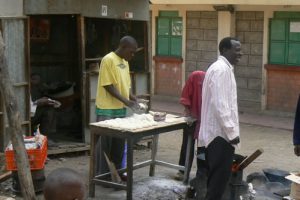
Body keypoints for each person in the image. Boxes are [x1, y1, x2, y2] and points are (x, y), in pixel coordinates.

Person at [198, 37, 242, 200]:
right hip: (220, 136)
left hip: (218, 136)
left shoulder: (223, 69)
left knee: (216, 183)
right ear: (224, 50)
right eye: (236, 50)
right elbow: (220, 105)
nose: (240, 53)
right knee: (217, 186)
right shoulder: (221, 70)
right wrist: (232, 132)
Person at [95, 35, 139, 178]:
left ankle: (118, 172)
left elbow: (126, 84)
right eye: (131, 52)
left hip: (120, 108)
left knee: (119, 144)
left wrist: (132, 97)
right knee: (105, 145)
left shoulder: (125, 62)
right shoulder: (108, 60)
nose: (132, 55)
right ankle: (104, 175)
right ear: (123, 47)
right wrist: (126, 101)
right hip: (106, 109)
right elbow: (108, 85)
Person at [174, 71, 205, 181]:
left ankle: (201, 174)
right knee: (187, 145)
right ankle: (182, 170)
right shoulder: (196, 76)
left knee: (203, 147)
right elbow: (185, 96)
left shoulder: (216, 81)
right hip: (192, 117)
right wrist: (188, 113)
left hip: (206, 120)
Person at [30, 73, 60, 142]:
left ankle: (45, 136)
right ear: (30, 80)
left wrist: (49, 102)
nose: (36, 81)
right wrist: (38, 102)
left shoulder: (39, 88)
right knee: (48, 112)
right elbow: (29, 105)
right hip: (28, 115)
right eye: (34, 79)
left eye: (38, 80)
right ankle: (43, 137)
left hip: (35, 112)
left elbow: (43, 98)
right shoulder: (25, 89)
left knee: (51, 110)